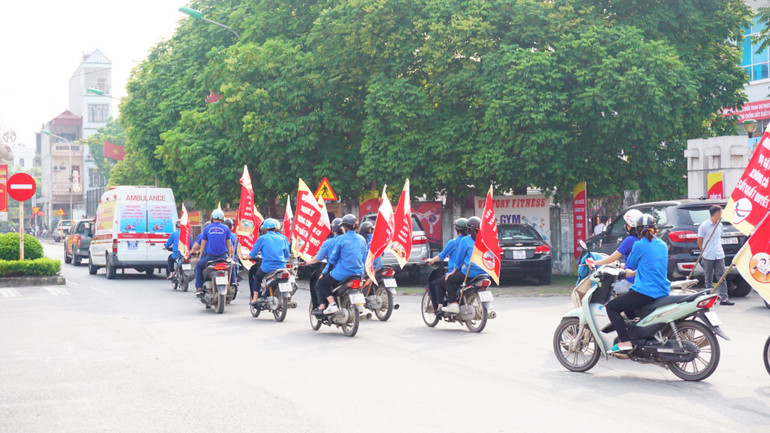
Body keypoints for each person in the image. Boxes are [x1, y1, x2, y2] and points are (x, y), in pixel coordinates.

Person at [605, 214, 670, 353]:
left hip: (645, 291)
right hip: (662, 290)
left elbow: (631, 265)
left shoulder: (639, 245)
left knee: (612, 307)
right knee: (629, 309)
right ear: (655, 229)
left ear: (638, 231)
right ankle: (639, 335)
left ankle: (625, 341)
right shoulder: (663, 245)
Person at [315, 214, 367, 315]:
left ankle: (332, 305)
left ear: (345, 227)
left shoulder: (340, 239)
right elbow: (364, 257)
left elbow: (333, 258)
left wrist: (327, 272)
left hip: (341, 273)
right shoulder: (362, 239)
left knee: (321, 283)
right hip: (358, 273)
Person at [441, 216, 487, 314]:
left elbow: (459, 259)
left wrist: (453, 271)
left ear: (468, 229)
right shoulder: (485, 240)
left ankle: (453, 304)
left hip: (470, 272)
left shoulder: (465, 240)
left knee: (448, 279)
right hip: (485, 273)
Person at [592, 209, 643, 294]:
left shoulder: (629, 240)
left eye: (626, 223)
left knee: (602, 290)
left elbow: (611, 259)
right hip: (641, 281)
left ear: (630, 225)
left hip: (631, 281)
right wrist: (623, 266)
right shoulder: (645, 240)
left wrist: (594, 263)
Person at [427, 218, 468, 310]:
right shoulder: (472, 241)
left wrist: (432, 260)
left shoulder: (453, 242)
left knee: (439, 282)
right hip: (470, 271)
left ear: (457, 230)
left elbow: (441, 256)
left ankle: (440, 306)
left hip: (458, 272)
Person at [248, 218, 291, 305]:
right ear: (276, 228)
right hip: (282, 267)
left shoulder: (262, 238)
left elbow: (253, 253)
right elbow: (287, 254)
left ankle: (255, 298)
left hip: (267, 268)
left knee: (257, 277)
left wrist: (245, 257)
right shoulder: (283, 238)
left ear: (265, 228)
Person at [697, 205, 733, 306]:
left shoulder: (719, 225)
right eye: (720, 213)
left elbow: (719, 237)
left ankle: (724, 298)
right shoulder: (704, 225)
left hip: (719, 254)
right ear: (716, 214)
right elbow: (699, 240)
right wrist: (703, 251)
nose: (721, 215)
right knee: (708, 277)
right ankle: (710, 298)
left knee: (721, 276)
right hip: (708, 254)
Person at [305, 218, 343, 308]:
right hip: (356, 271)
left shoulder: (331, 242)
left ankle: (322, 305)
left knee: (319, 282)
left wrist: (309, 261)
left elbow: (320, 258)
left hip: (337, 271)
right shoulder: (356, 240)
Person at [194, 211, 233, 296]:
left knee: (198, 266)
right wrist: (229, 256)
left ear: (212, 218)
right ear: (222, 218)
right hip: (223, 256)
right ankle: (233, 283)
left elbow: (203, 244)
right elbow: (228, 244)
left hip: (210, 257)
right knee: (232, 265)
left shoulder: (207, 229)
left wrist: (201, 257)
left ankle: (199, 288)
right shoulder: (226, 229)